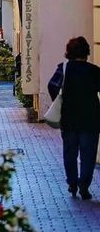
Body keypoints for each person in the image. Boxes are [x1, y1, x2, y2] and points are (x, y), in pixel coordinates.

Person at [48, 36, 100, 200]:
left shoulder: (63, 68)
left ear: (68, 52)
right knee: (88, 154)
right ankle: (84, 185)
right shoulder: (94, 70)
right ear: (87, 52)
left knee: (70, 152)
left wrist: (59, 101)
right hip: (91, 118)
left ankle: (72, 183)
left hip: (69, 117)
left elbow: (52, 85)